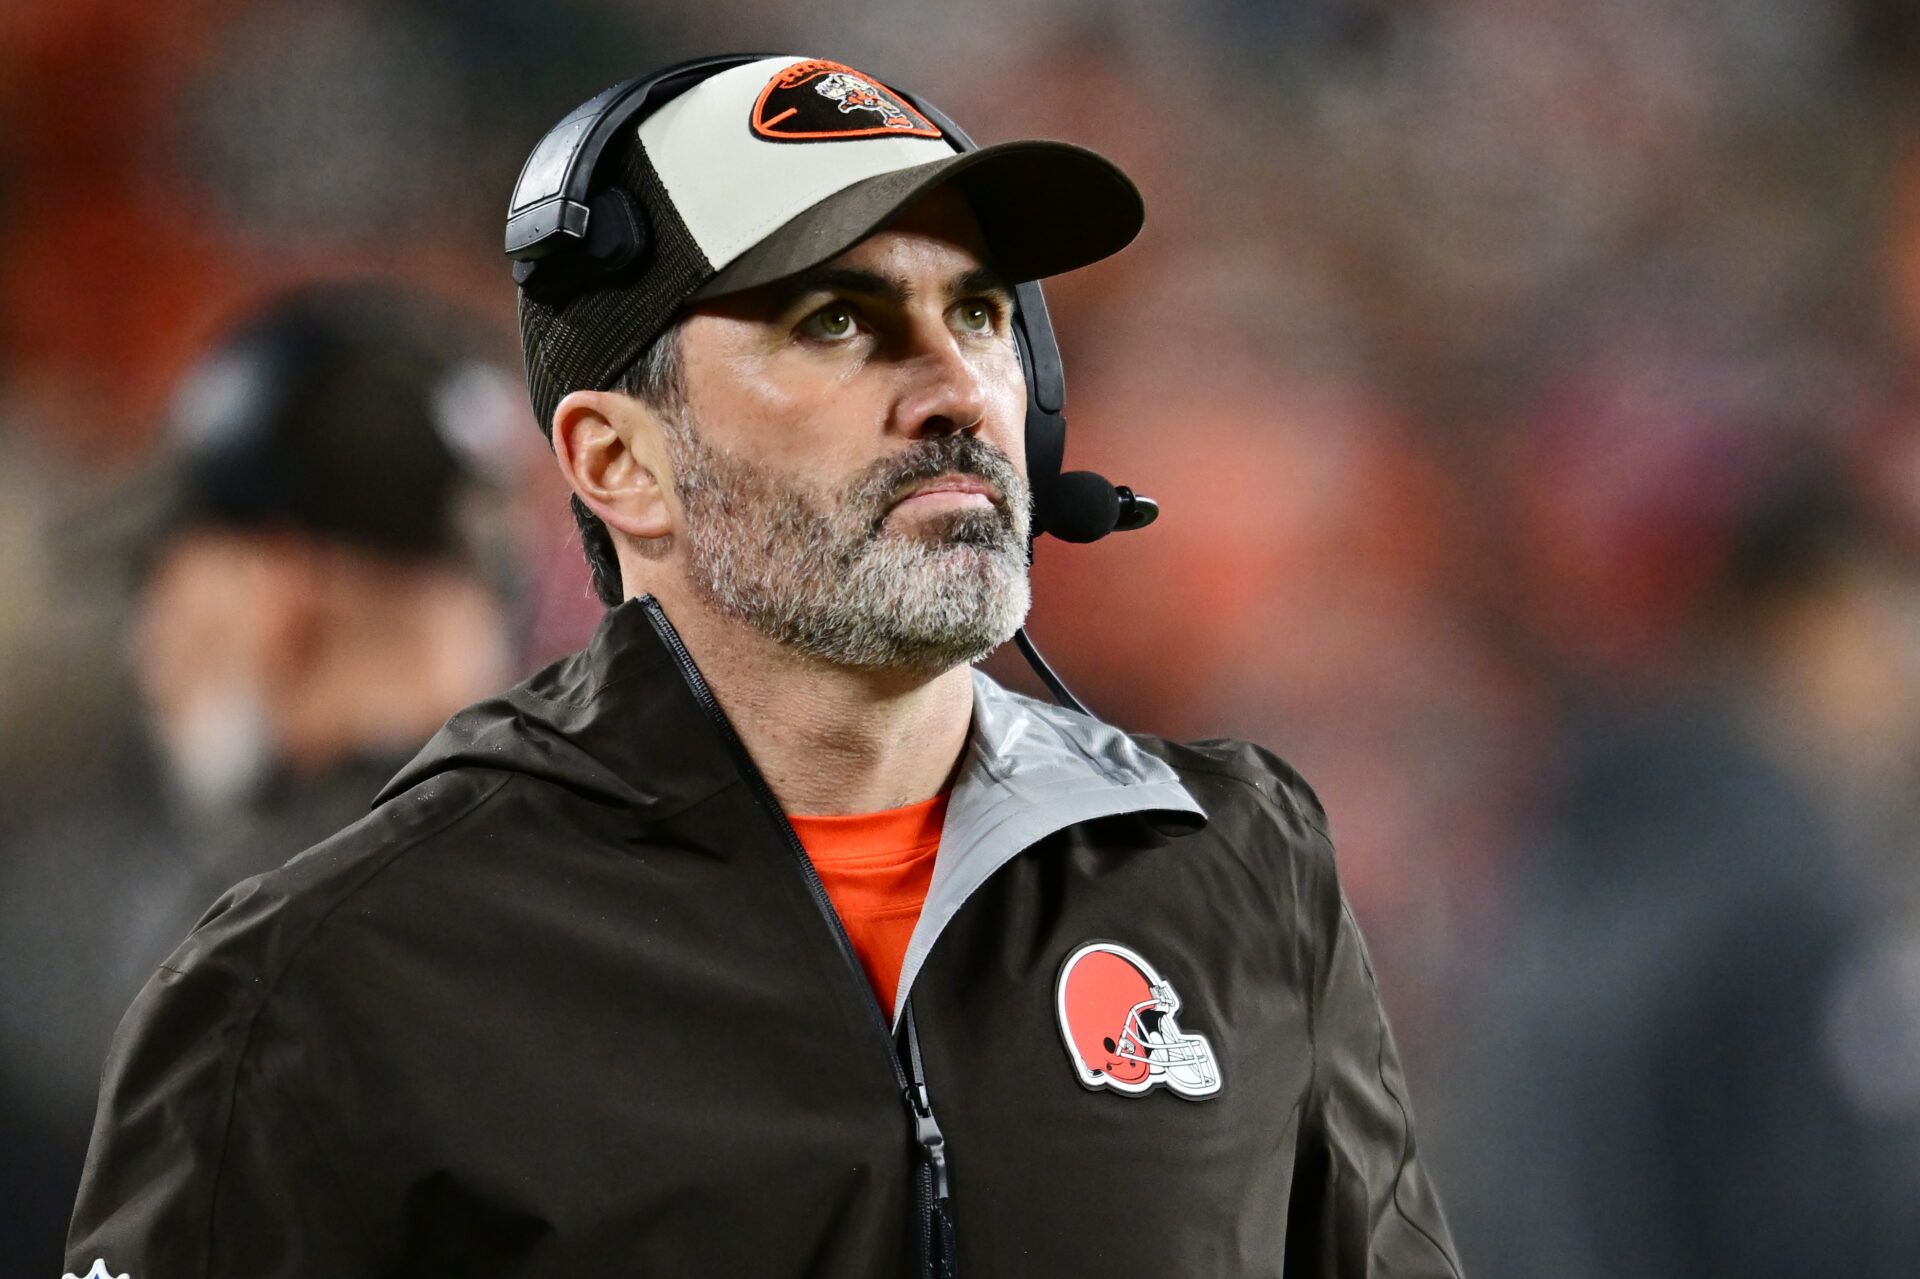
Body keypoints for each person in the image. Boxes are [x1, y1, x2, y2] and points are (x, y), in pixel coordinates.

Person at [65, 56, 1461, 1277]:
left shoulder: (1237, 865)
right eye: (836, 321)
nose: (954, 387)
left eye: (978, 313)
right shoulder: (332, 977)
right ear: (620, 464)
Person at [0, 283, 517, 1277]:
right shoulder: (649, 861)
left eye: (165, 578)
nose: (151, 646)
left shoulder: (255, 935)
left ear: (279, 584)